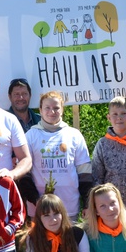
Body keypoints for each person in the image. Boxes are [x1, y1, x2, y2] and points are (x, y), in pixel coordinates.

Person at [25, 91, 92, 220]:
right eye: (47, 108)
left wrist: (87, 203)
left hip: (69, 206)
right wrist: (35, 199)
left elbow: (85, 173)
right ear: (40, 109)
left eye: (56, 108)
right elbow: (25, 175)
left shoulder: (74, 135)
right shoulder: (30, 136)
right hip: (39, 207)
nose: (52, 111)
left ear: (62, 110)